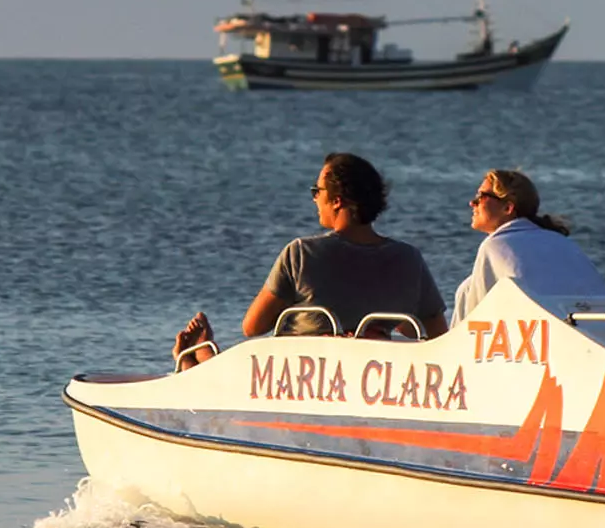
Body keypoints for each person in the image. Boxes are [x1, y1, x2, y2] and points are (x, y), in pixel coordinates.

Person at [173, 153, 450, 368]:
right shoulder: (408, 258)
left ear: (338, 201)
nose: (315, 198)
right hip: (369, 376)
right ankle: (199, 358)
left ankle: (198, 358)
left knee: (236, 360)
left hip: (302, 377)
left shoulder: (302, 253)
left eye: (317, 191)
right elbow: (436, 335)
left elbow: (252, 326)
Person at [451, 169, 605, 320]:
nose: (472, 203)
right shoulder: (560, 241)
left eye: (481, 196)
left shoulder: (496, 246)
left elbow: (476, 321)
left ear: (508, 207)